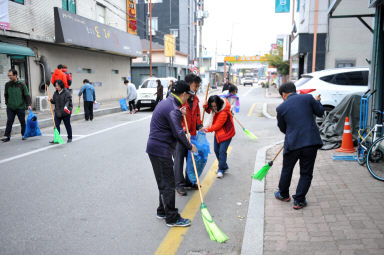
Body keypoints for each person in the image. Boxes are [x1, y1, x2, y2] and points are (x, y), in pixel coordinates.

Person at [146, 80, 197, 227]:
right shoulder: (173, 108)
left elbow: (170, 121)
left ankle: (162, 210)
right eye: (188, 96)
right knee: (168, 184)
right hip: (161, 150)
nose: (188, 99)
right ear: (183, 94)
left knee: (163, 182)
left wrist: (179, 114)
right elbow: (178, 133)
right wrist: (190, 146)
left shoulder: (167, 103)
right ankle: (172, 218)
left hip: (155, 148)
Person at [274, 82, 324, 210]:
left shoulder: (281, 108)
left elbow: (282, 128)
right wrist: (318, 102)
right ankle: (299, 200)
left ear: (284, 94)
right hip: (310, 142)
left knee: (287, 169)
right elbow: (320, 112)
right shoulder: (307, 98)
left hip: (293, 143)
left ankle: (283, 194)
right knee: (306, 173)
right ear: (294, 91)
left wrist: (292, 132)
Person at [174, 73, 203, 196]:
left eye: (198, 86)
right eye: (195, 86)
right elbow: (174, 118)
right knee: (179, 160)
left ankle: (189, 181)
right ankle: (179, 185)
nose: (196, 89)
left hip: (192, 135)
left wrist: (200, 126)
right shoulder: (179, 99)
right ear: (188, 85)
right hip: (179, 135)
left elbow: (196, 116)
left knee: (191, 159)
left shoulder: (195, 99)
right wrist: (183, 128)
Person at [201, 95, 235, 178]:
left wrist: (205, 129)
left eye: (215, 106)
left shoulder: (223, 112)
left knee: (222, 151)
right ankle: (224, 166)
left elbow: (216, 126)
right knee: (216, 150)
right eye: (212, 106)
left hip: (227, 133)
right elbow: (210, 111)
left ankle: (221, 169)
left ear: (219, 104)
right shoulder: (215, 109)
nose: (214, 108)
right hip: (218, 133)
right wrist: (205, 107)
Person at [2, 69, 32, 142]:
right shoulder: (7, 84)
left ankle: (24, 135)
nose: (9, 77)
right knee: (9, 121)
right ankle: (7, 136)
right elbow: (6, 94)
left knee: (22, 121)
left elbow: (27, 95)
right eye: (8, 75)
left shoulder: (22, 84)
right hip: (10, 107)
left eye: (10, 75)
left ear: (15, 75)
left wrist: (28, 104)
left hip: (20, 107)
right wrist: (7, 103)